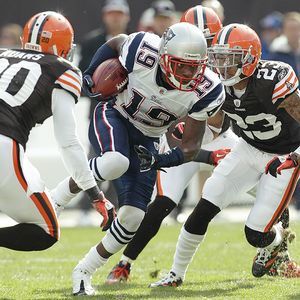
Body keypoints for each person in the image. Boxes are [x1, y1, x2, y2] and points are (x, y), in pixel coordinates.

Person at [68, 22, 227, 296]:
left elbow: (189, 146)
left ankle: (84, 270)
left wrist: (158, 161)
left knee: (132, 217)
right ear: (164, 57)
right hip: (117, 114)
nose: (189, 73)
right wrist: (91, 72)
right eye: (181, 65)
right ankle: (54, 199)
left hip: (149, 138)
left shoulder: (206, 89)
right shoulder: (143, 49)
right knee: (114, 161)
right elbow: (117, 41)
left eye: (194, 66)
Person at [143, 23, 300, 287]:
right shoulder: (217, 85)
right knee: (203, 207)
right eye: (220, 56)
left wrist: (295, 155)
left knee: (255, 234)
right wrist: (189, 132)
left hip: (283, 157)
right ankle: (175, 275)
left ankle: (274, 243)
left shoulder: (273, 80)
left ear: (250, 59)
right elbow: (215, 126)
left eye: (231, 58)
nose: (222, 64)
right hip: (248, 148)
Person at [104, 5, 232, 284]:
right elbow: (167, 112)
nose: (203, 50)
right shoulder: (163, 60)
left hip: (219, 136)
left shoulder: (226, 63)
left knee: (266, 170)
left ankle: (273, 247)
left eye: (209, 42)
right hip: (184, 140)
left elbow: (227, 115)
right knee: (162, 203)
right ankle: (125, 263)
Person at [0, 11, 115, 252]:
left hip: (8, 146)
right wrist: (95, 194)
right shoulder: (62, 70)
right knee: (47, 230)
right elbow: (68, 142)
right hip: (4, 144)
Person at [76, 0, 131, 219]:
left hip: (129, 109)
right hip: (101, 109)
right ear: (104, 15)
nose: (115, 18)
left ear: (126, 16)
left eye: (119, 14)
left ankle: (117, 206)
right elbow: (83, 75)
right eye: (112, 13)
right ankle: (85, 205)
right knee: (97, 157)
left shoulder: (135, 41)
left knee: (124, 161)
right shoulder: (92, 42)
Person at [269, 12, 300, 77]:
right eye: (290, 29)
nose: (293, 32)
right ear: (284, 31)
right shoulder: (277, 52)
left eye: (296, 28)